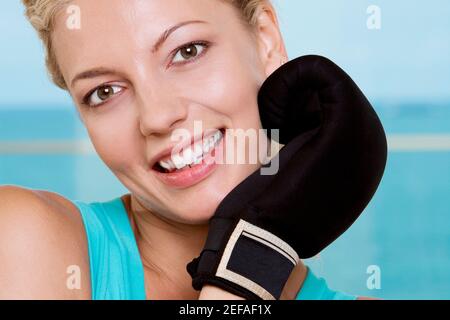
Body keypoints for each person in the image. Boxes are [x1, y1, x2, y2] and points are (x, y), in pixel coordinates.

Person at [0, 0, 370, 300]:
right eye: (105, 92)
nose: (158, 117)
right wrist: (245, 274)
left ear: (265, 40)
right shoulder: (22, 241)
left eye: (187, 51)